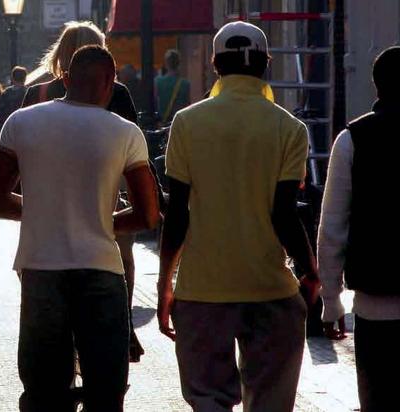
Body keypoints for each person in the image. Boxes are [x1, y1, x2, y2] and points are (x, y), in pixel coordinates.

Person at [0, 45, 160, 411]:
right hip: (100, 268)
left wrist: (42, 213)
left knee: (43, 389)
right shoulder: (125, 133)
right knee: (106, 389)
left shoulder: (22, 122)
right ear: (111, 82)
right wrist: (103, 222)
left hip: (41, 268)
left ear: (64, 79)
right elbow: (148, 214)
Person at [156, 21, 320, 412]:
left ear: (215, 65)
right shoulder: (290, 129)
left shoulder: (187, 123)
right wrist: (309, 270)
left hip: (203, 289)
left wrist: (166, 282)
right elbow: (284, 214)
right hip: (269, 288)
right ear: (265, 64)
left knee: (208, 398)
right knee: (269, 400)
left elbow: (177, 212)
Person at [20, 20, 146, 362]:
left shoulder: (37, 94)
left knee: (46, 271)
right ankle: (124, 325)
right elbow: (133, 149)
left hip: (50, 206)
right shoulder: (115, 92)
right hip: (104, 201)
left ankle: (51, 338)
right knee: (121, 259)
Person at [318, 46, 400, 411]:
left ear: (377, 86)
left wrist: (331, 300)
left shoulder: (353, 139)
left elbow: (333, 226)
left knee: (380, 402)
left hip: (375, 302)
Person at [155, 49, 191, 124]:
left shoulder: (157, 81)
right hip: (179, 123)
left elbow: (154, 103)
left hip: (162, 123)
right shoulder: (185, 84)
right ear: (179, 63)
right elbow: (187, 106)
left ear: (166, 63)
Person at [0, 66, 28, 134]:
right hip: (24, 125)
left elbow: (0, 112)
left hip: (8, 125)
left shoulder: (6, 92)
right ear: (25, 78)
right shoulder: (28, 92)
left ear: (12, 78)